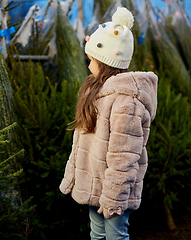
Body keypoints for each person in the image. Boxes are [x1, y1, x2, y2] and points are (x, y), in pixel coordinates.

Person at [59, 7, 158, 240]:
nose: (88, 62)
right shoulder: (96, 92)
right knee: (97, 234)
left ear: (104, 61)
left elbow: (125, 155)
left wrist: (114, 197)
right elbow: (81, 143)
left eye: (91, 58)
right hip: (93, 185)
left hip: (113, 191)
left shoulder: (127, 102)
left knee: (115, 235)